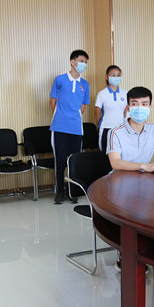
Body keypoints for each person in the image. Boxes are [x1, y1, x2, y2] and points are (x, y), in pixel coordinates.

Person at [50, 49, 90, 204]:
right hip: (59, 127)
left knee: (74, 161)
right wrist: (61, 116)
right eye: (81, 61)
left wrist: (74, 116)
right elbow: (53, 101)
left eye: (86, 62)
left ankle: (72, 191)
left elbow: (83, 105)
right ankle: (60, 191)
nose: (84, 64)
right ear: (73, 62)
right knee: (60, 159)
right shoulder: (59, 79)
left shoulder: (85, 84)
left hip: (76, 128)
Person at [107, 86, 154, 173]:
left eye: (144, 104)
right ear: (128, 108)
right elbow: (115, 163)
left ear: (150, 108)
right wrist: (144, 166)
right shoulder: (115, 132)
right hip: (120, 177)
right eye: (134, 104)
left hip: (145, 177)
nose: (139, 108)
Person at [94, 65, 127, 152]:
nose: (116, 77)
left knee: (121, 154)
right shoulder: (102, 94)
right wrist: (102, 125)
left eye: (118, 75)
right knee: (105, 154)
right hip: (106, 129)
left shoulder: (125, 93)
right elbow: (97, 113)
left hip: (121, 129)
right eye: (113, 75)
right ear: (106, 77)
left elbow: (126, 112)